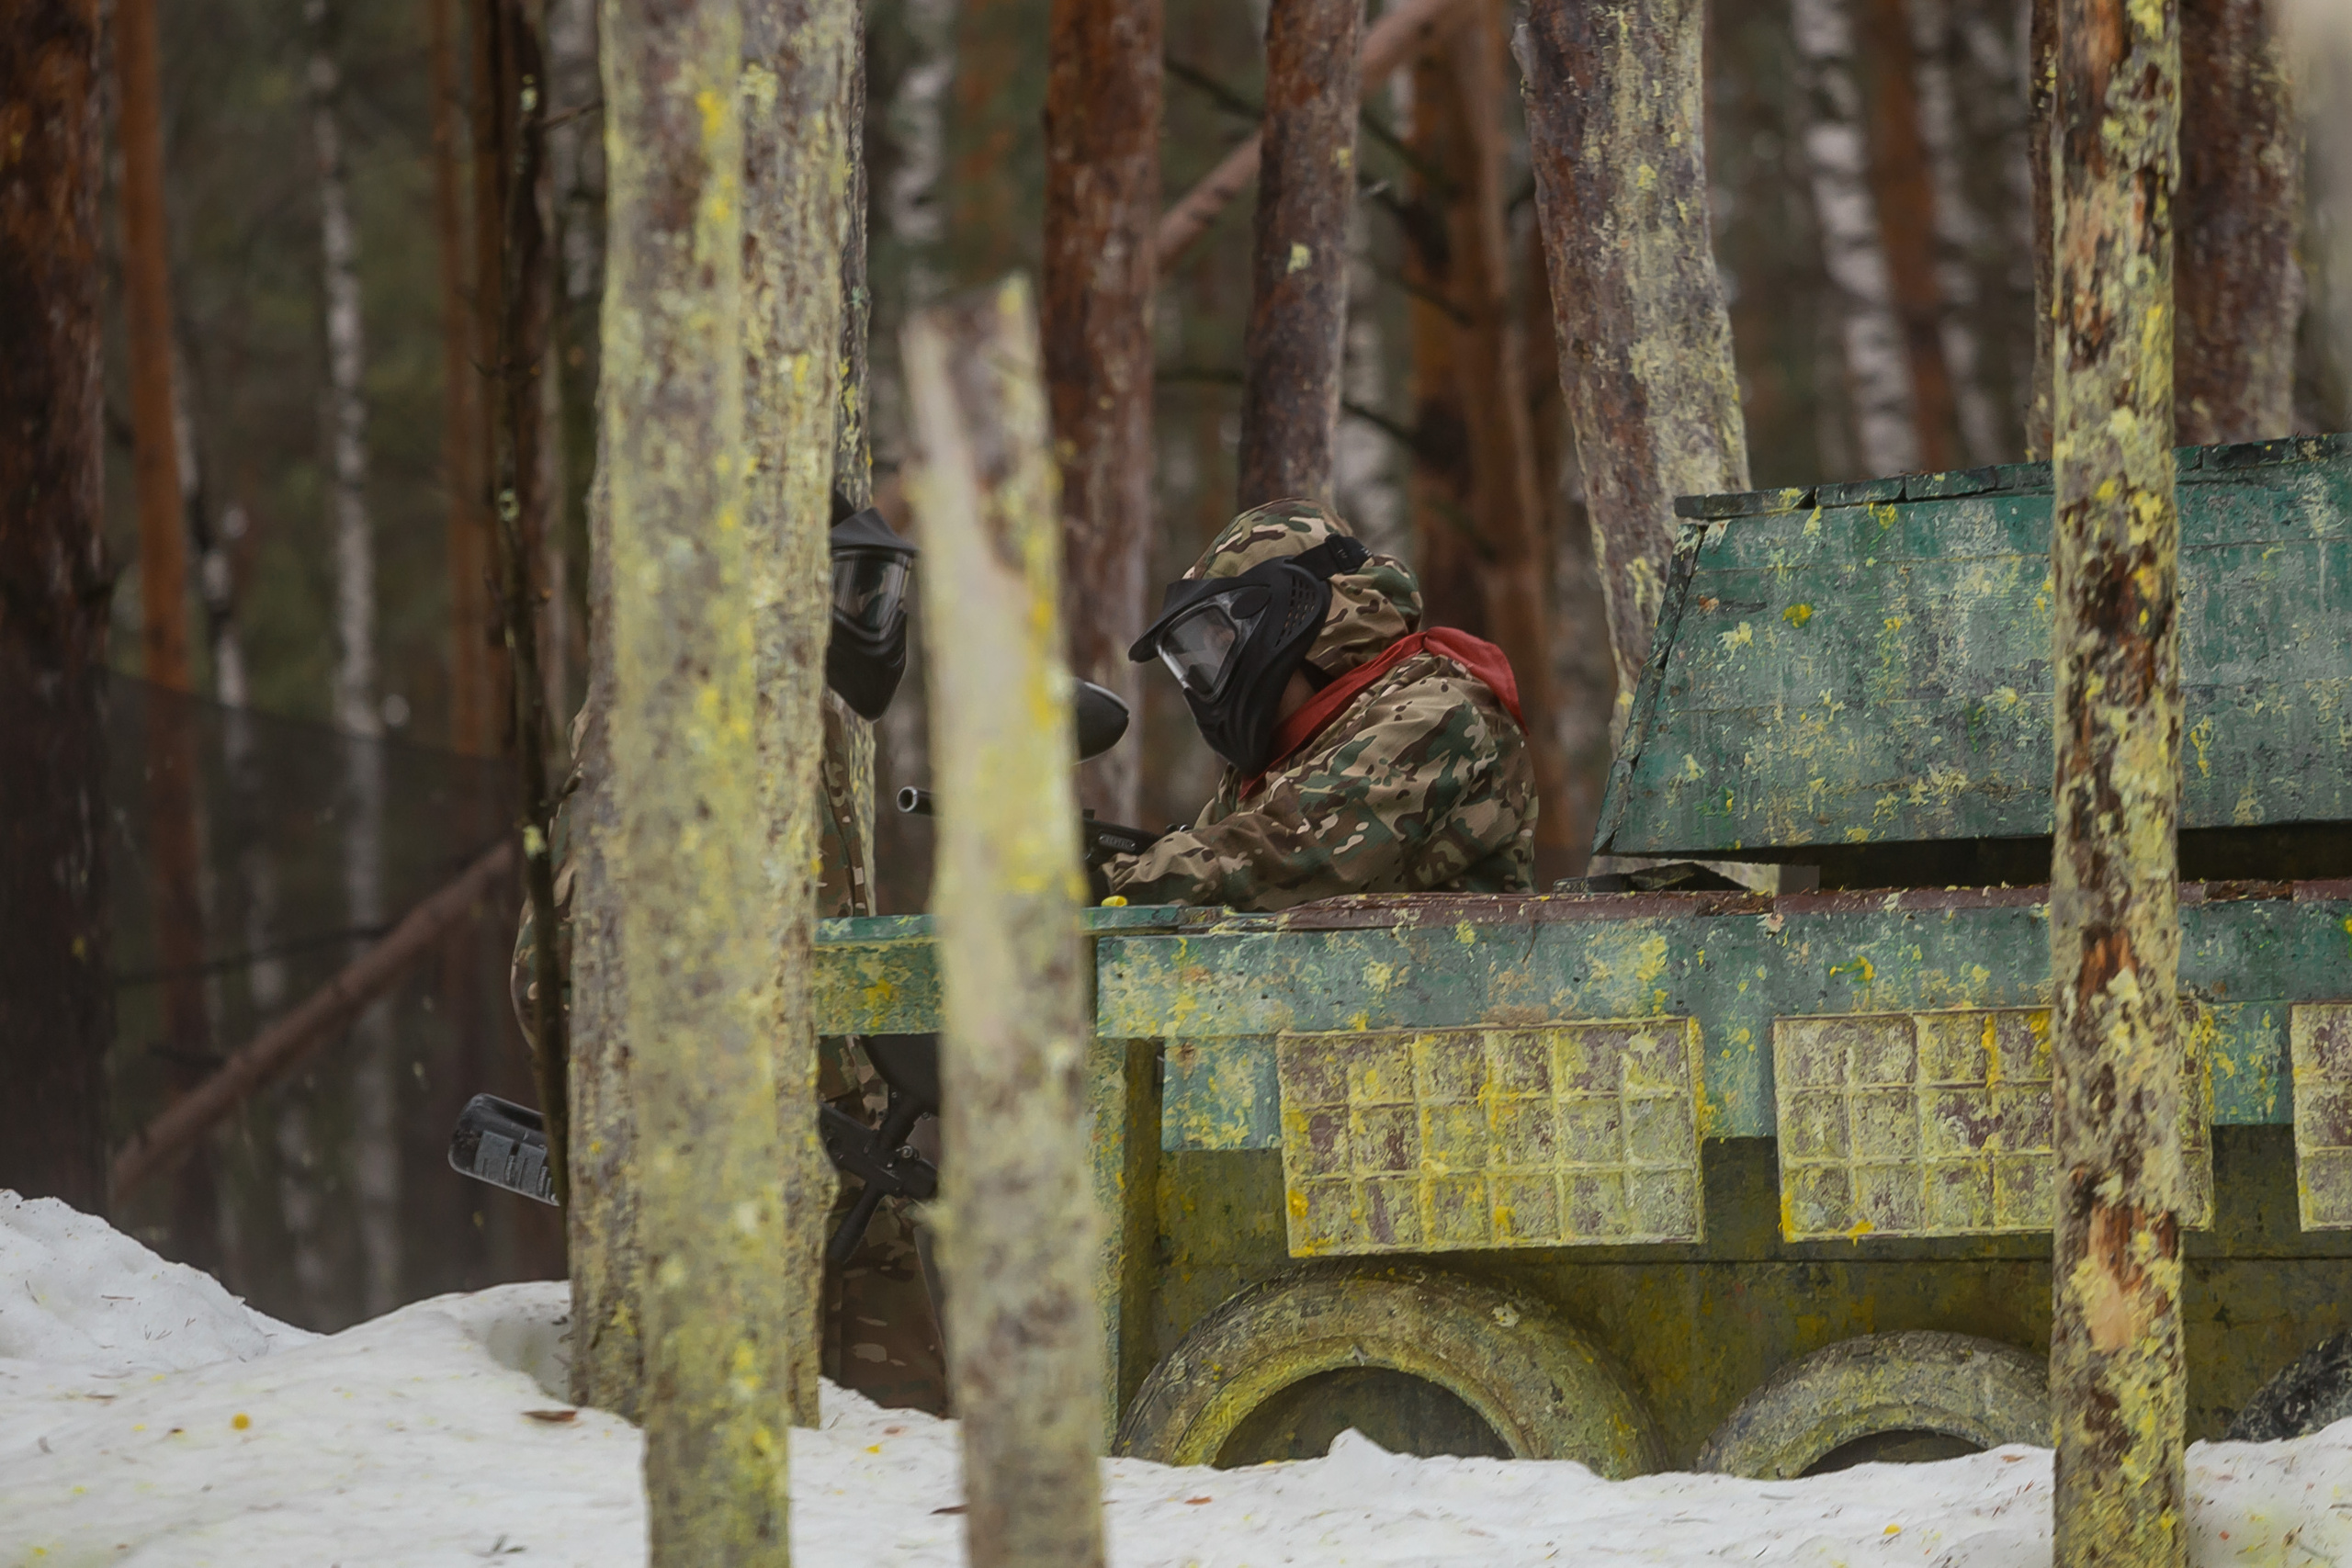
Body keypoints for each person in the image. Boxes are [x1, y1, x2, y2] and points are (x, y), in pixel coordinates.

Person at [508, 498, 948, 1412]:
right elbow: (553, 976)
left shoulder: (812, 725)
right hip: (718, 1202)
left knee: (903, 1459)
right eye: (848, 591)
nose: (868, 620)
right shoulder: (669, 721)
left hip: (845, 1181)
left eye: (878, 593)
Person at [1107, 499, 1536, 911]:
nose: (1209, 677)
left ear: (1298, 611)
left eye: (1222, 644)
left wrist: (1107, 883)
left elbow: (1291, 854)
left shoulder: (1441, 711)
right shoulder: (1279, 763)